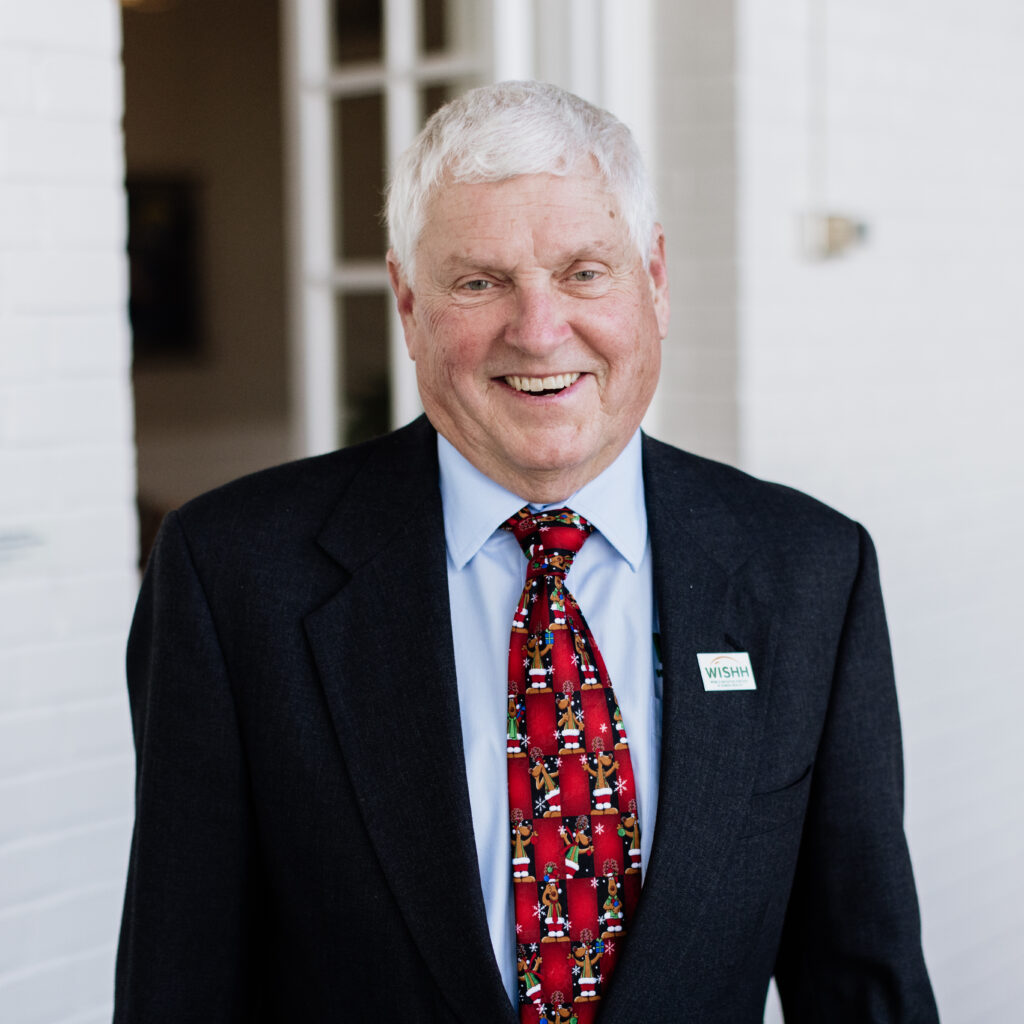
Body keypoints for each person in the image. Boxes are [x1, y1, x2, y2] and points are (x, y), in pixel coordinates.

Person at [113, 81, 938, 1023]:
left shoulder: (809, 571)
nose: (539, 330)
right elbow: (178, 984)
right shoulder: (232, 573)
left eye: (585, 272)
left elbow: (863, 978)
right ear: (407, 300)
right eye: (480, 281)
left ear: (656, 282)